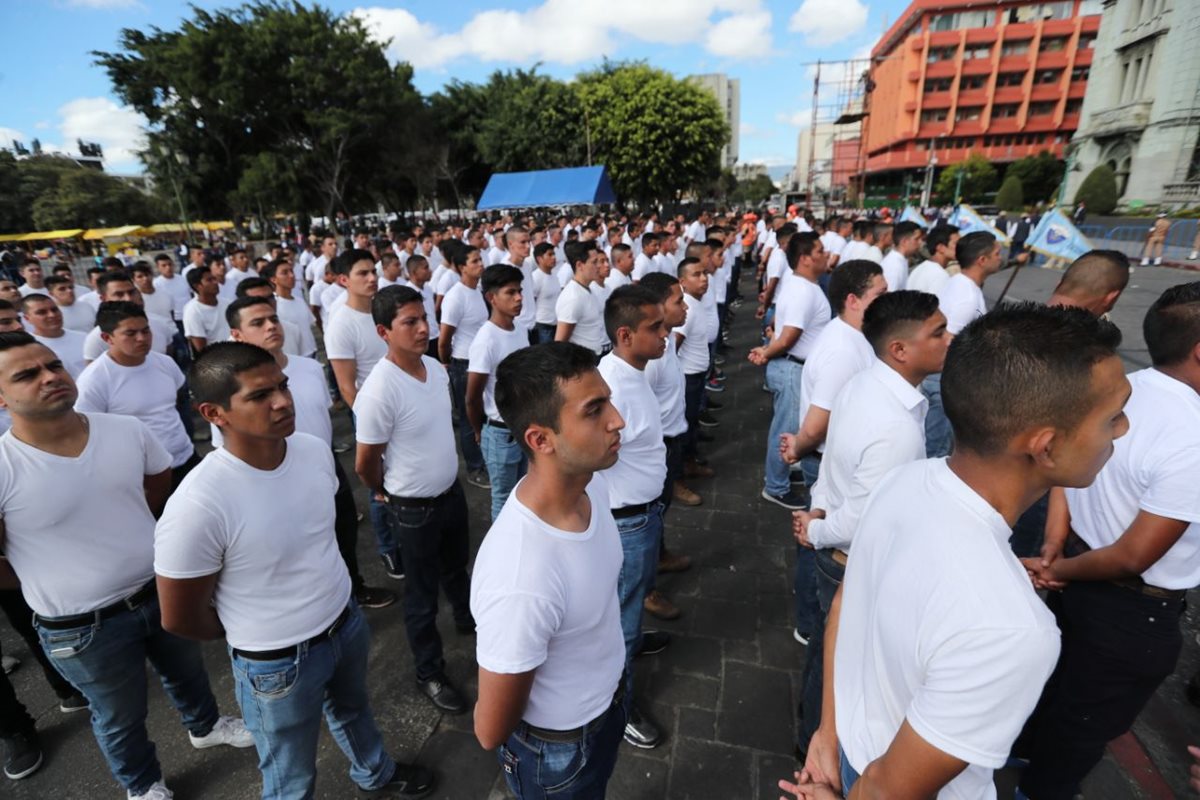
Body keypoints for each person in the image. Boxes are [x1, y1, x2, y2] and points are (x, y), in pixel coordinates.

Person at [792, 303, 1130, 800]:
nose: (1123, 429)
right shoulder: (1014, 630)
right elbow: (887, 790)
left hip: (848, 753)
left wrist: (828, 731)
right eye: (1113, 416)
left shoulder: (905, 480)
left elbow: (846, 604)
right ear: (1046, 446)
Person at [152, 342, 431, 799]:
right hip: (276, 663)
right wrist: (254, 629)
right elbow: (180, 616)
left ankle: (376, 772)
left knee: (355, 711)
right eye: (260, 396)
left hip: (344, 624)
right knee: (289, 772)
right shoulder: (198, 504)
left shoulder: (313, 450)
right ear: (214, 413)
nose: (283, 401)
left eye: (282, 386)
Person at [0, 331, 252, 800]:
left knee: (189, 673)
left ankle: (206, 726)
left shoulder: (125, 430)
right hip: (81, 626)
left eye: (53, 365)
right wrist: (51, 577)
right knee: (119, 715)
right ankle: (143, 785)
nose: (50, 377)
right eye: (27, 374)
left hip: (158, 591)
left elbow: (156, 487)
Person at [1013, 282, 1200, 800]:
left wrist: (1055, 542)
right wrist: (1056, 566)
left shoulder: (1118, 388)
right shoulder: (1192, 436)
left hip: (1074, 565)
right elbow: (1135, 555)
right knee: (1086, 721)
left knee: (1053, 684)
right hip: (1127, 605)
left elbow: (1064, 469)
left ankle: (1021, 751)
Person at [790, 290, 949, 753]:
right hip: (851, 559)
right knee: (842, 666)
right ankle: (817, 747)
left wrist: (818, 512)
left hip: (835, 546)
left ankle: (809, 733)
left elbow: (834, 467)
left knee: (827, 653)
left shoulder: (864, 384)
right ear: (899, 349)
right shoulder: (894, 428)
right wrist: (815, 529)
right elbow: (861, 520)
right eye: (938, 332)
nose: (949, 339)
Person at [470, 342, 628, 799]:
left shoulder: (592, 487)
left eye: (609, 402)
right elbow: (489, 730)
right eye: (594, 410)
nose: (617, 420)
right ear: (540, 440)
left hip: (608, 701)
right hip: (559, 750)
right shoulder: (521, 576)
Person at [224, 296, 394, 610]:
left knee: (343, 532)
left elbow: (321, 417)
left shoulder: (310, 368)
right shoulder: (232, 390)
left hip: (326, 466)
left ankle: (354, 588)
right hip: (277, 479)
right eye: (258, 323)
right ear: (237, 334)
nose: (271, 326)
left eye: (273, 319)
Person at [355, 286, 475, 716]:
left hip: (450, 494)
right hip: (413, 509)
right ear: (384, 332)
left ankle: (467, 619)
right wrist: (384, 490)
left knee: (457, 569)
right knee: (421, 597)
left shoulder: (435, 369)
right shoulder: (379, 390)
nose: (424, 328)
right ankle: (429, 671)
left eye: (424, 318)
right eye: (410, 322)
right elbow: (365, 463)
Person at [778, 260, 885, 645]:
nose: (887, 302)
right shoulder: (843, 350)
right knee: (818, 541)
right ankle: (811, 623)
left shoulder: (853, 338)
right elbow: (818, 421)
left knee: (818, 537)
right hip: (824, 458)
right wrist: (799, 446)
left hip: (826, 454)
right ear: (853, 300)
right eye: (880, 295)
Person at [598, 285, 673, 750]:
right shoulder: (610, 388)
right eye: (655, 327)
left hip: (643, 514)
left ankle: (633, 645)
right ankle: (619, 706)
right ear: (625, 335)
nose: (666, 334)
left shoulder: (634, 371)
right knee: (621, 620)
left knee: (633, 602)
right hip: (626, 521)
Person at [75, 302, 200, 489]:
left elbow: (178, 404)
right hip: (143, 474)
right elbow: (88, 435)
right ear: (107, 338)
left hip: (186, 459)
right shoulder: (93, 381)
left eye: (146, 331)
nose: (142, 338)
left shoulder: (165, 363)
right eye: (130, 333)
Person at [750, 232, 831, 511]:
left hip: (794, 366)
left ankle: (782, 471)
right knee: (785, 429)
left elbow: (779, 326)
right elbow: (788, 338)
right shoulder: (802, 291)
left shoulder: (803, 286)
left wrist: (769, 346)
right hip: (791, 367)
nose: (826, 254)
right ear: (805, 259)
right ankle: (776, 486)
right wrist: (766, 351)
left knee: (789, 427)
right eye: (820, 250)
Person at [920, 231, 1003, 459]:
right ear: (982, 260)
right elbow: (948, 340)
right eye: (997, 253)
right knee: (935, 452)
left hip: (944, 380)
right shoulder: (966, 296)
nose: (1001, 258)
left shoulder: (960, 283)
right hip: (946, 381)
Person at [638, 273, 693, 619]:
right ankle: (645, 590)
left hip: (671, 442)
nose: (685, 307)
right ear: (658, 307)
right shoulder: (651, 358)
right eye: (678, 301)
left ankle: (659, 556)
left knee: (660, 511)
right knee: (649, 517)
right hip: (655, 447)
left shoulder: (667, 341)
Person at [467, 265, 530, 521]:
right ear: (491, 297)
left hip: (523, 427)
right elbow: (472, 397)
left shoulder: (520, 328)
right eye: (510, 292)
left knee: (524, 492)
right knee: (503, 499)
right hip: (500, 432)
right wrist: (479, 430)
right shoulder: (486, 340)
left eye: (520, 291)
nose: (519, 298)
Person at [437, 243, 490, 489]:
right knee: (470, 419)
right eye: (474, 261)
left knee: (484, 415)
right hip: (464, 364)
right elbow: (444, 339)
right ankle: (474, 468)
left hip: (481, 362)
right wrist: (448, 362)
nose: (481, 264)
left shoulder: (476, 290)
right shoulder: (455, 297)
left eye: (480, 259)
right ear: (461, 267)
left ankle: (485, 459)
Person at [554, 240, 609, 358]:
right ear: (579, 265)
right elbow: (560, 344)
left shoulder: (588, 289)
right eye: (594, 262)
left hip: (594, 357)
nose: (599, 266)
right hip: (582, 362)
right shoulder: (572, 297)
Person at [260, 258, 318, 358]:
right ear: (273, 279)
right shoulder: (273, 306)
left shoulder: (299, 300)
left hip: (312, 353)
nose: (291, 275)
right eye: (285, 273)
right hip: (293, 357)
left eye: (291, 271)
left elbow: (308, 325)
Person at [21, 294, 88, 378]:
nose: (52, 315)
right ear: (27, 318)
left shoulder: (84, 337)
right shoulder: (28, 346)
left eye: (54, 309)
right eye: (42, 312)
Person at [182, 266, 230, 353]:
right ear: (197, 286)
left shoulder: (227, 304)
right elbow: (202, 349)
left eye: (214, 279)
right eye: (209, 280)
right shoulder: (192, 311)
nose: (215, 282)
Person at [401, 254, 439, 357]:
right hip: (422, 339)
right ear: (414, 273)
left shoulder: (428, 288)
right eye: (425, 268)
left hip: (435, 336)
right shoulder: (407, 292)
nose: (429, 270)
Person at [906, 224, 959, 295]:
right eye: (956, 243)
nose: (961, 247)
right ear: (941, 248)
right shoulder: (940, 275)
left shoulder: (920, 268)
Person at [530, 242, 560, 344]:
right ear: (539, 259)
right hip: (543, 326)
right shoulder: (536, 277)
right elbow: (531, 301)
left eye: (554, 254)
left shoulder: (554, 275)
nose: (554, 257)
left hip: (556, 324)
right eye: (550, 255)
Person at [880, 222, 923, 292]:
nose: (920, 242)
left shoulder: (899, 261)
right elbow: (890, 295)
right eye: (916, 239)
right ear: (904, 241)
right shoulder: (894, 266)